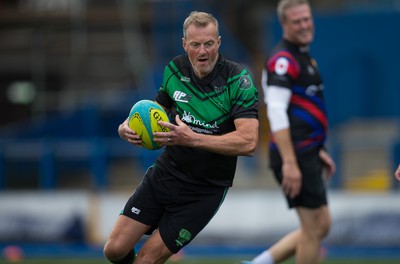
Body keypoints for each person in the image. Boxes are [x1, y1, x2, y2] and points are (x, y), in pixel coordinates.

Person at [103, 11, 259, 264]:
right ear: (185, 44)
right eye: (195, 44)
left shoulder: (238, 80)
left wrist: (193, 138)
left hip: (205, 190)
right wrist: (127, 126)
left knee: (146, 260)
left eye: (209, 43)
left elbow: (249, 142)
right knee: (114, 250)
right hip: (167, 173)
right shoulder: (174, 70)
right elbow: (154, 112)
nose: (202, 51)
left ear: (218, 42)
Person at [241, 1, 336, 264]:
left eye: (307, 18)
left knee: (322, 224)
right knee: (313, 230)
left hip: (308, 151)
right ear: (284, 25)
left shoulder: (304, 56)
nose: (304, 25)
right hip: (294, 154)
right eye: (297, 21)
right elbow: (277, 112)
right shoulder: (283, 60)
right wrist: (291, 162)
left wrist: (319, 150)